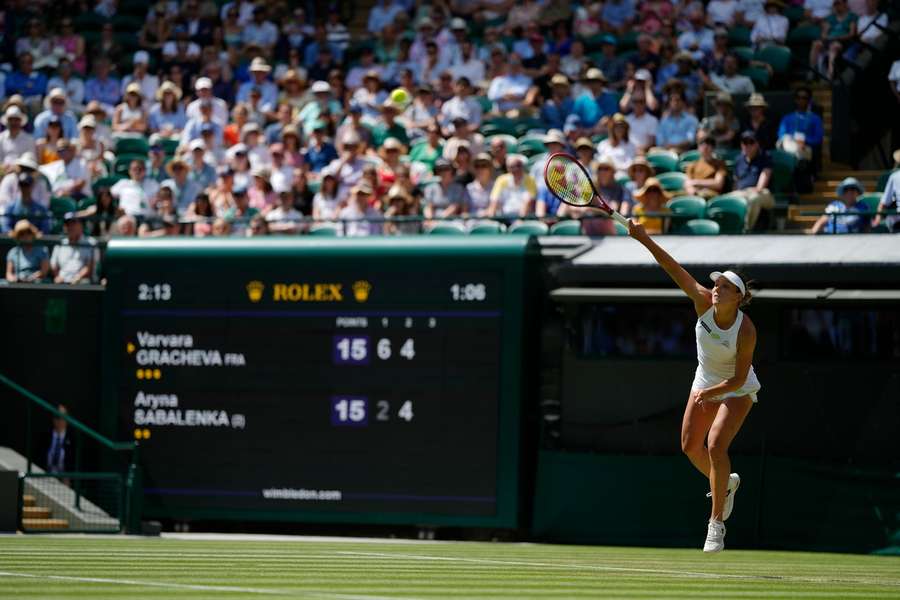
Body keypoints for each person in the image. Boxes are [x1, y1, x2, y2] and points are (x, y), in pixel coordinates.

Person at [626, 220, 761, 553]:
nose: (717, 288)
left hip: (737, 388)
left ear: (738, 298)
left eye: (726, 287)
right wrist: (644, 239)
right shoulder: (702, 301)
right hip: (705, 380)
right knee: (690, 446)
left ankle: (715, 525)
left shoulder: (746, 332)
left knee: (716, 446)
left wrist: (711, 394)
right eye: (717, 284)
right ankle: (725, 485)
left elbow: (740, 378)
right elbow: (673, 268)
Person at [732, 130, 775, 230]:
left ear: (757, 144)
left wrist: (748, 192)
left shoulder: (765, 157)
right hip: (741, 192)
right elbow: (735, 182)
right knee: (725, 199)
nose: (747, 145)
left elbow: (761, 186)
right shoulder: (738, 160)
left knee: (753, 199)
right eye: (744, 143)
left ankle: (746, 230)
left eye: (751, 142)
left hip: (763, 193)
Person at [50, 214, 95, 284]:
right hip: (62, 281)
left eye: (73, 223)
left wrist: (78, 277)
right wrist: (57, 276)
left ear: (81, 225)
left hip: (81, 281)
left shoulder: (90, 243)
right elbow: (54, 266)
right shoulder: (60, 244)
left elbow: (89, 267)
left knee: (85, 283)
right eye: (67, 224)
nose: (70, 227)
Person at [47, 404, 74, 476]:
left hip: (64, 479)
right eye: (57, 417)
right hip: (45, 476)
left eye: (63, 417)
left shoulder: (73, 439)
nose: (60, 420)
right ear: (53, 418)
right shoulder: (45, 436)